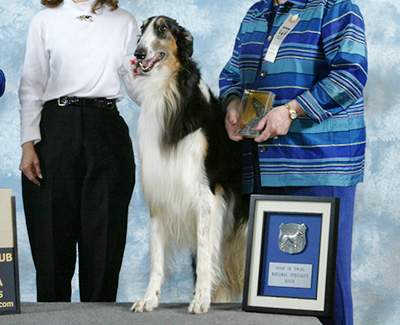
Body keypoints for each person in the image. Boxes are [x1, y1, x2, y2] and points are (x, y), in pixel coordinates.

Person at [219, 0, 367, 324]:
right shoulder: (256, 12)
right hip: (262, 164)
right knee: (274, 284)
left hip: (319, 165)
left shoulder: (336, 7)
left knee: (327, 280)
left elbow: (350, 76)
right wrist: (232, 103)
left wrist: (291, 111)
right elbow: (231, 74)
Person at [19, 0, 138, 302]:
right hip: (55, 129)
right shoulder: (45, 20)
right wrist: (27, 143)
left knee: (104, 244)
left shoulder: (124, 20)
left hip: (107, 128)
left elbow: (137, 84)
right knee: (51, 243)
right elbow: (32, 84)